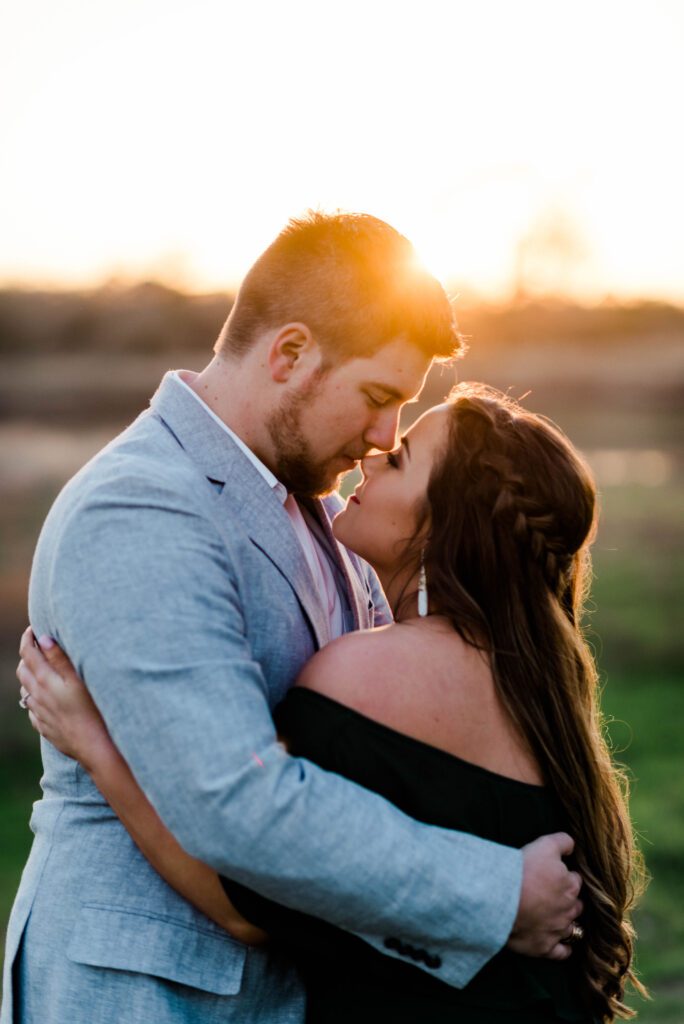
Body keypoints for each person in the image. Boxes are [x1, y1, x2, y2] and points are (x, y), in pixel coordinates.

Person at [5, 213, 583, 1024]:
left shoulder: (331, 518)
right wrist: (495, 895)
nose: (383, 437)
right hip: (149, 993)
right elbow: (235, 804)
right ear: (290, 354)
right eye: (377, 398)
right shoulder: (141, 509)